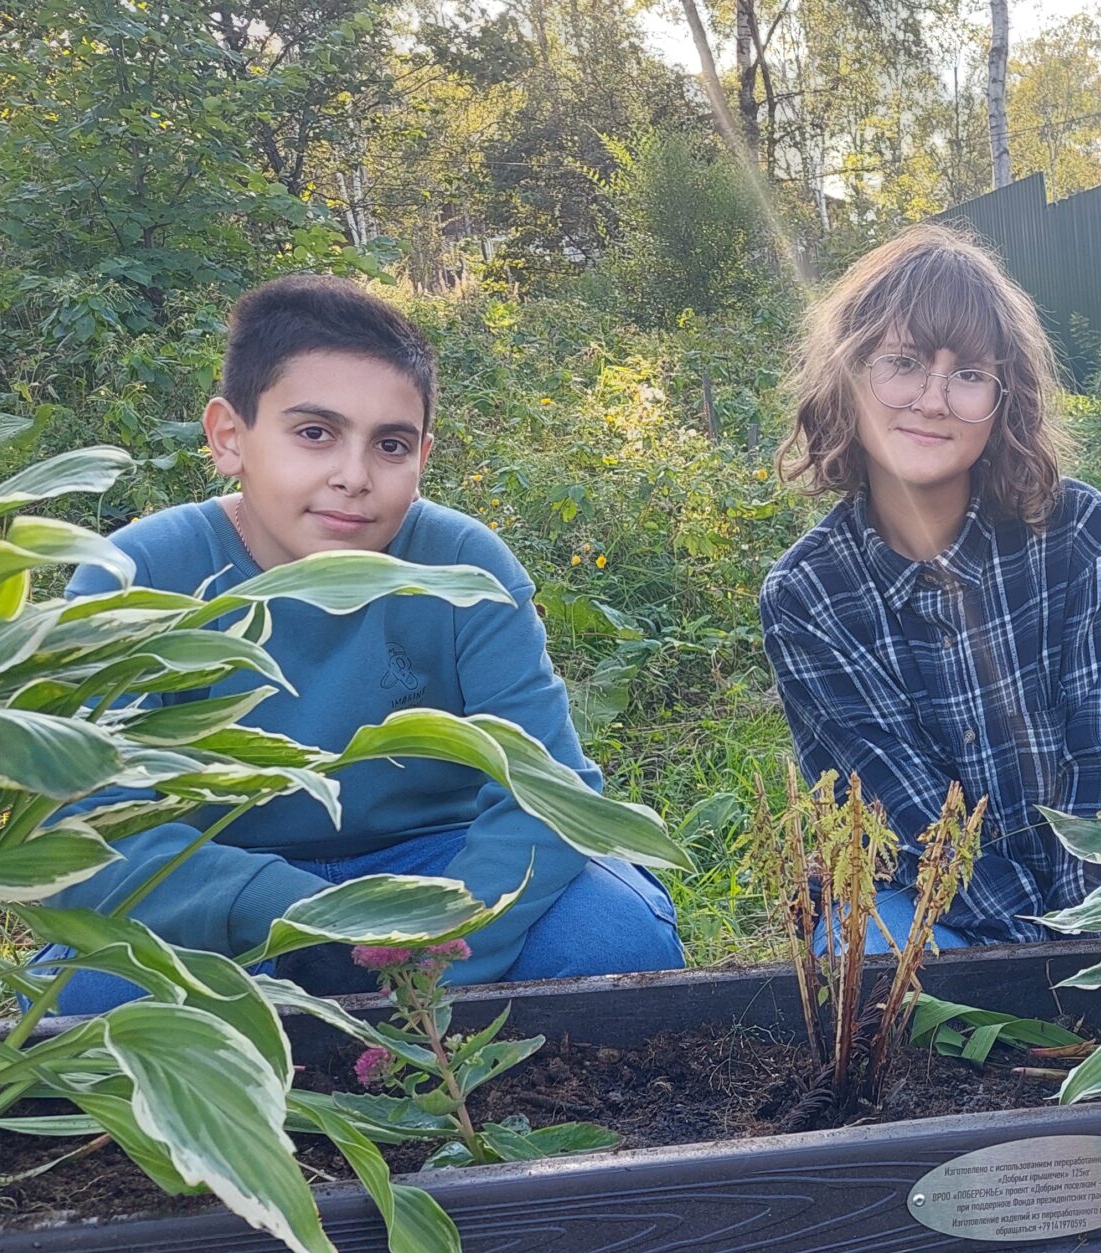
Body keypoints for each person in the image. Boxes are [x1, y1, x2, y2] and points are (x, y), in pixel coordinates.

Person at [43, 275, 682, 1012]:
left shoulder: (462, 566)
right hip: (218, 879)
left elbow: (548, 792)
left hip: (439, 861)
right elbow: (92, 827)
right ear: (228, 436)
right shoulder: (137, 575)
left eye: (390, 445)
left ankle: (457, 1083)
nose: (353, 477)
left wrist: (437, 951)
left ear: (424, 457)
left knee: (614, 945)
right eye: (314, 433)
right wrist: (309, 919)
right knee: (96, 993)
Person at [759, 225, 1101, 950]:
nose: (933, 400)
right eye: (902, 363)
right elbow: (905, 815)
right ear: (848, 378)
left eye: (969, 374)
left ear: (1006, 400)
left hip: (1097, 894)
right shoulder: (807, 595)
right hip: (935, 905)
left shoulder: (1075, 532)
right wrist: (1029, 962)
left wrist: (1089, 939)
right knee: (870, 948)